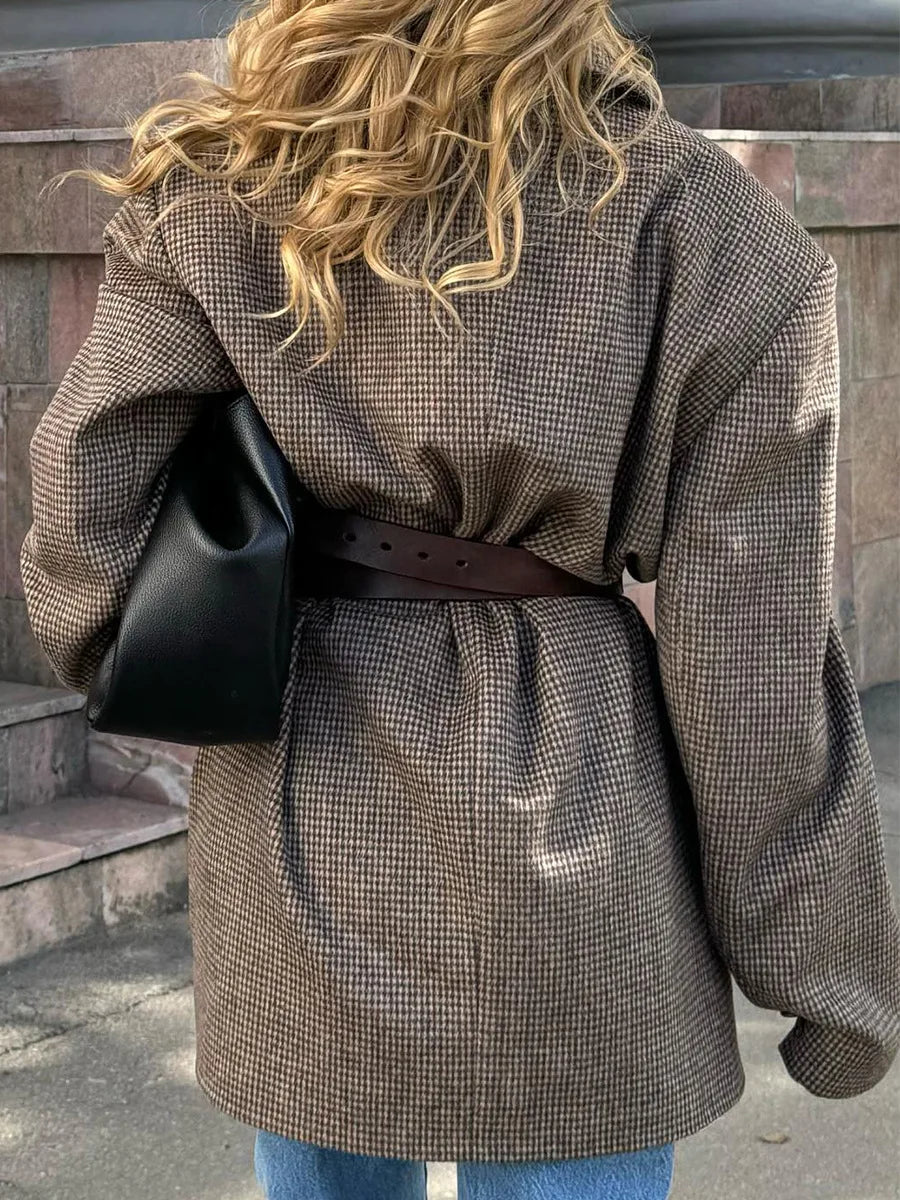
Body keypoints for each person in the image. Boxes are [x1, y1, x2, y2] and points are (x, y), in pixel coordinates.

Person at [19, 2, 900, 1198]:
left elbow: (88, 510)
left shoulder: (225, 185)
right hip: (574, 804)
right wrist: (825, 971)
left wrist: (125, 643)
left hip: (298, 791)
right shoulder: (703, 224)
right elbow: (756, 663)